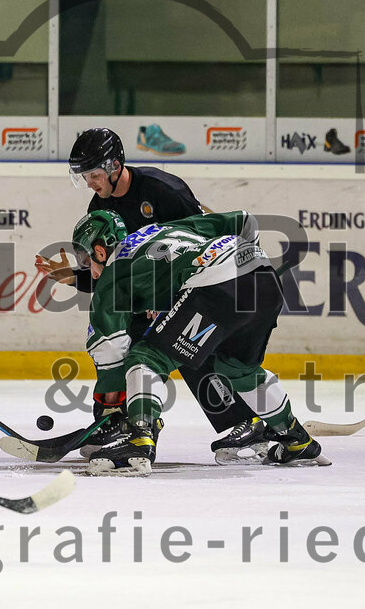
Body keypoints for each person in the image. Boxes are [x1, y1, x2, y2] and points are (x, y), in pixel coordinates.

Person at [35, 128, 271, 464]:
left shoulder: (164, 190)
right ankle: (115, 422)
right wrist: (77, 277)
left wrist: (169, 300)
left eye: (94, 174)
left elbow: (201, 241)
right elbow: (116, 273)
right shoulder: (100, 203)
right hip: (149, 293)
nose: (90, 183)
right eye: (84, 177)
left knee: (188, 347)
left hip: (196, 284)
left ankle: (246, 423)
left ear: (115, 165)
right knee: (115, 340)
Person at [72, 209, 329, 476]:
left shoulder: (113, 275)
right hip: (264, 278)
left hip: (217, 284)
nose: (87, 268)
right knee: (237, 368)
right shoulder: (164, 229)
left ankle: (140, 438)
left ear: (100, 251)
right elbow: (244, 221)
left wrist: (109, 408)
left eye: (84, 257)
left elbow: (109, 350)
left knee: (147, 357)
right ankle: (295, 437)